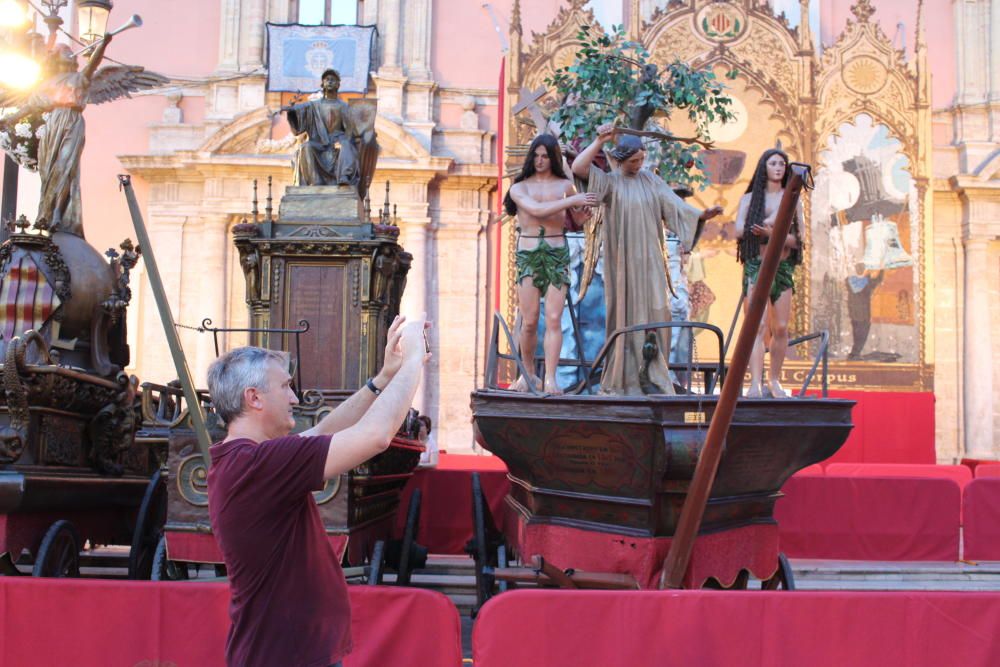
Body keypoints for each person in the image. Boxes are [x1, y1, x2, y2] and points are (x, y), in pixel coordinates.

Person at [207, 314, 429, 667]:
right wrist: (414, 361)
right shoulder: (256, 465)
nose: (294, 398)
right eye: (284, 387)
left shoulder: (251, 461)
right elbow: (376, 436)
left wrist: (384, 379)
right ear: (254, 398)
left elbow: (325, 430)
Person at [571, 124, 722, 395]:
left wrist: (701, 216)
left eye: (641, 159)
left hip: (652, 260)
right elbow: (579, 169)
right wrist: (598, 141)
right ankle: (625, 377)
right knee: (625, 315)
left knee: (658, 309)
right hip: (624, 263)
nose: (639, 164)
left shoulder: (652, 181)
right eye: (633, 161)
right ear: (619, 159)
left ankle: (654, 374)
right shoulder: (610, 183)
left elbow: (676, 207)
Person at [503, 133, 597, 394]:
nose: (540, 160)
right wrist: (574, 200)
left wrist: (582, 216)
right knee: (530, 320)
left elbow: (574, 220)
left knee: (555, 318)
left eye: (545, 156)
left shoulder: (564, 185)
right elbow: (537, 210)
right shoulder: (519, 187)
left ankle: (551, 378)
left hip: (557, 254)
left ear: (553, 158)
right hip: (529, 255)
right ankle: (528, 373)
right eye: (536, 155)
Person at [735, 148, 804, 398]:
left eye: (782, 164)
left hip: (781, 268)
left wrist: (770, 234)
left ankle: (774, 380)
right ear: (764, 167)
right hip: (756, 265)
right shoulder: (750, 199)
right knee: (756, 325)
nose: (778, 167)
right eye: (773, 163)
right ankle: (754, 383)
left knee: (782, 326)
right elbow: (739, 230)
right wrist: (762, 231)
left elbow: (799, 240)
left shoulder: (792, 199)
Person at [285, 68, 374, 188]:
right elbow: (298, 118)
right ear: (322, 84)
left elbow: (351, 131)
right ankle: (316, 182)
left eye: (333, 80)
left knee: (347, 145)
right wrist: (291, 112)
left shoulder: (345, 107)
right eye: (327, 80)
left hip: (338, 140)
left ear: (338, 85)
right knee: (306, 147)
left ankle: (344, 177)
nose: (330, 82)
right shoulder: (313, 106)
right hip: (320, 143)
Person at [846, 262, 884, 359]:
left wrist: (867, 276)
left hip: (853, 313)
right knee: (862, 334)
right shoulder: (867, 282)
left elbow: (860, 280)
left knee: (856, 333)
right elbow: (877, 280)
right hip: (863, 314)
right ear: (864, 270)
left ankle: (854, 353)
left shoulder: (849, 281)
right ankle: (855, 354)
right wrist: (882, 270)